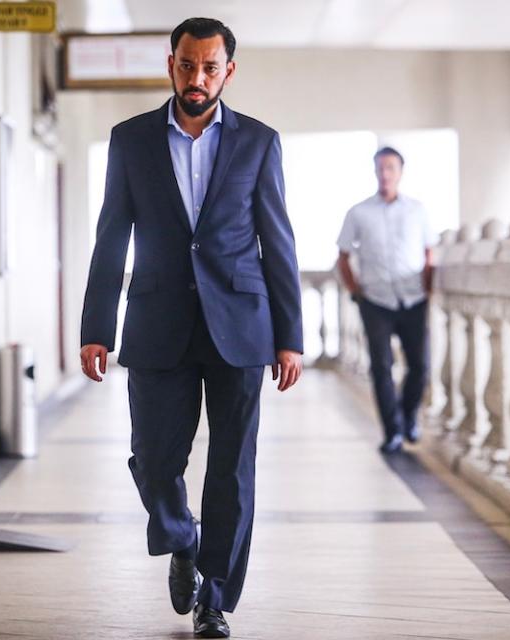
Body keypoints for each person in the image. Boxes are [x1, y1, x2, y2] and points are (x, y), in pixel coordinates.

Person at [79, 17, 303, 639]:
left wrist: (291, 337)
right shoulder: (130, 140)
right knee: (153, 458)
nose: (196, 77)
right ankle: (180, 537)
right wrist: (97, 324)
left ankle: (216, 596)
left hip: (242, 325)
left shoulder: (259, 142)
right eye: (186, 64)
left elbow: (277, 241)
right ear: (170, 63)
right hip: (156, 323)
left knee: (232, 469)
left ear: (228, 71)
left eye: (209, 67)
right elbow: (110, 237)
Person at [336, 147, 437, 455]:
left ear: (400, 172)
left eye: (391, 168)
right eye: (380, 168)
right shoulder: (358, 212)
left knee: (420, 366)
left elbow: (429, 253)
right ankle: (392, 431)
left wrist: (428, 291)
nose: (385, 173)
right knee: (381, 367)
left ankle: (408, 417)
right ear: (374, 171)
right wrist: (357, 292)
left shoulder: (418, 210)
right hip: (375, 301)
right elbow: (343, 256)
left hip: (413, 300)